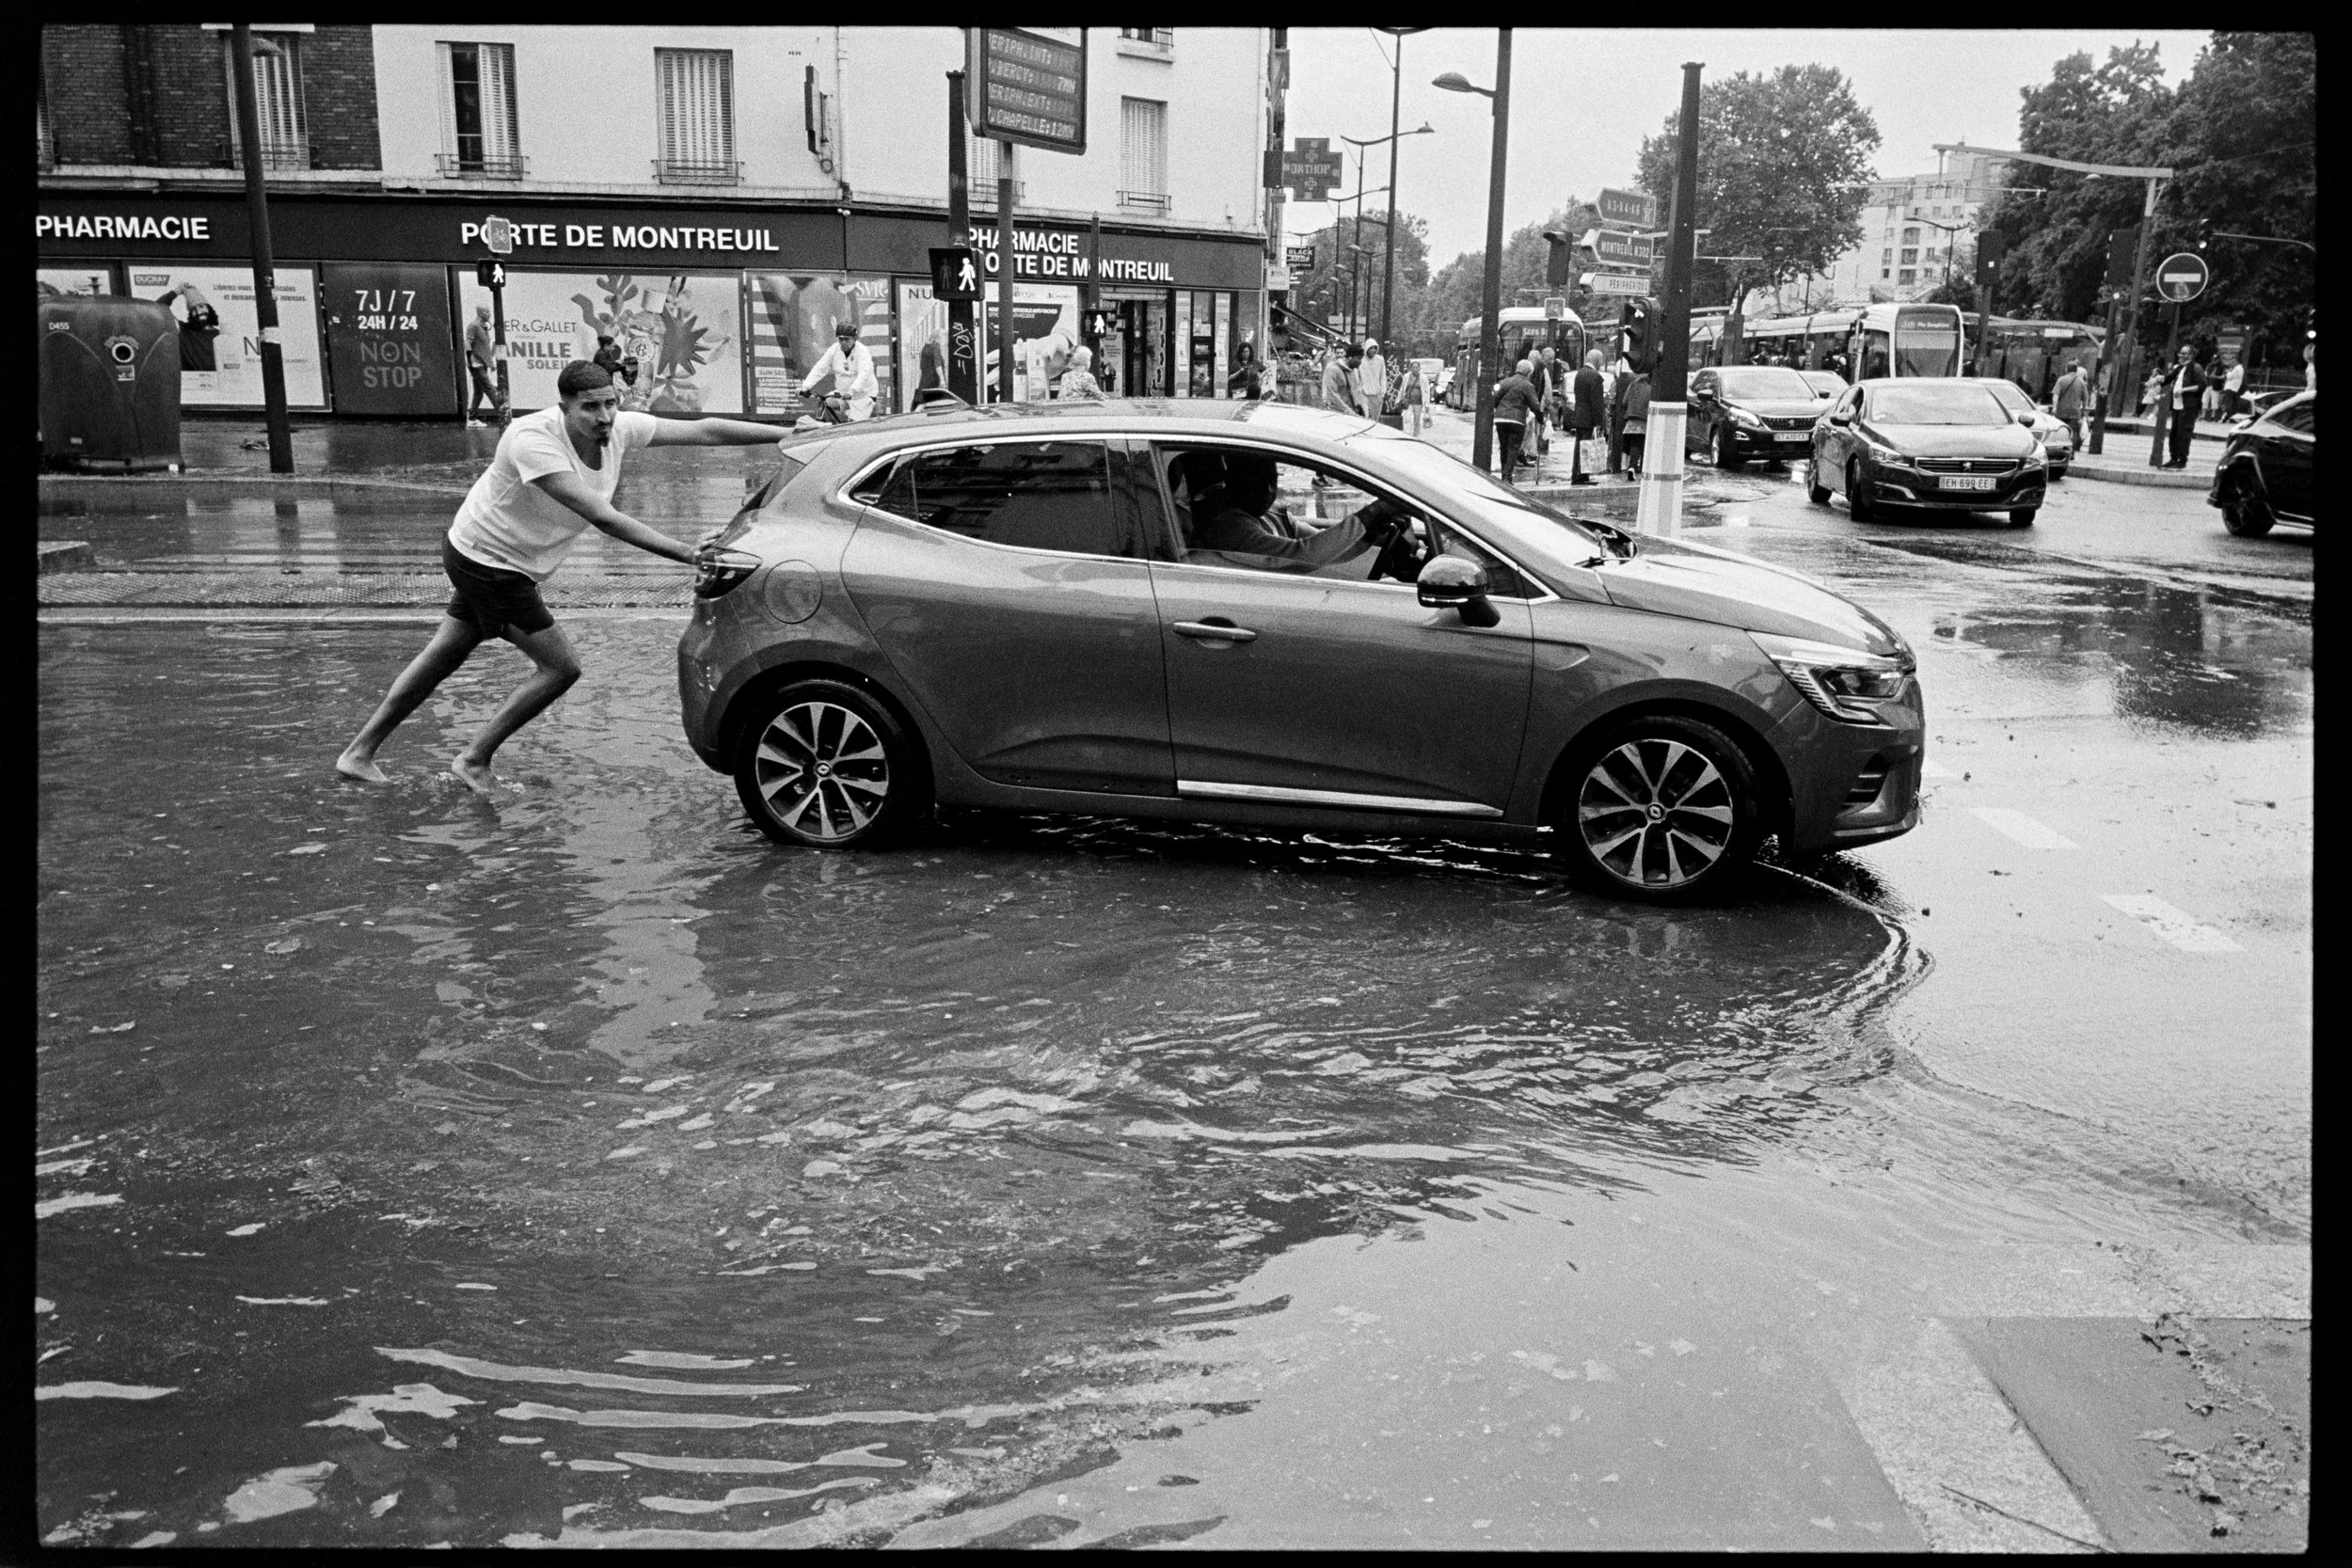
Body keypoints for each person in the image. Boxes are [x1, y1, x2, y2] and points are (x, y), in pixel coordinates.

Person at [335, 361, 786, 794]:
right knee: (560, 668)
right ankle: (473, 759)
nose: (604, 417)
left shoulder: (619, 427)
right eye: (590, 408)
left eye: (610, 403)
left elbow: (706, 429)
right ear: (564, 407)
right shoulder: (533, 439)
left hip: (496, 559)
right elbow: (602, 517)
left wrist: (788, 434)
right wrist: (688, 553)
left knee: (441, 656)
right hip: (489, 563)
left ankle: (359, 754)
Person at [1189, 452, 1406, 569]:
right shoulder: (1229, 526)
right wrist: (1372, 512)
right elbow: (1302, 555)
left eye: (1272, 480)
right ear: (1233, 481)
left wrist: (1369, 535)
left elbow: (1326, 548)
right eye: (1255, 482)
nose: (1267, 491)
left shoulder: (1274, 513)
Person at [800, 320, 878, 421]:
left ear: (854, 338)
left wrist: (852, 391)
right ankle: (829, 428)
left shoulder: (863, 351)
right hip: (843, 393)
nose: (843, 342)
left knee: (854, 427)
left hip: (863, 397)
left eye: (847, 339)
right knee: (825, 403)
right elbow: (821, 368)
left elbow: (864, 374)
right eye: (841, 339)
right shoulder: (834, 349)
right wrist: (806, 386)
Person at [1492, 357, 1539, 484]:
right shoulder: (1527, 386)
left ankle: (1504, 474)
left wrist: (1500, 410)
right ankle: (1507, 477)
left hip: (1501, 419)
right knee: (1513, 448)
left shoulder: (1504, 382)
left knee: (1504, 447)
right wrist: (1540, 418)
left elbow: (1494, 399)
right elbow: (1535, 405)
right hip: (1517, 420)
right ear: (1528, 373)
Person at [156, 282, 220, 373]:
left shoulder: (220, 337)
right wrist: (177, 291)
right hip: (190, 384)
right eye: (193, 310)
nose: (198, 312)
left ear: (209, 308)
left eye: (201, 306)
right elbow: (158, 308)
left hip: (216, 384)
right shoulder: (183, 330)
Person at [2162, 343, 2205, 469]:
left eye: (2184, 353)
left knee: (2184, 433)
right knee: (2174, 433)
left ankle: (2182, 460)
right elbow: (2168, 379)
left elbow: (2201, 385)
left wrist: (2183, 390)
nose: (2180, 355)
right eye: (2180, 352)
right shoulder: (2180, 368)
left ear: (2191, 356)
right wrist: (2159, 379)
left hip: (2188, 406)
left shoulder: (2196, 368)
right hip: (2177, 406)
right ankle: (2173, 458)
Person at [1571, 348, 1607, 486]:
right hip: (1589, 418)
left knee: (1579, 446)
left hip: (1579, 415)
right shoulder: (1595, 377)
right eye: (1601, 360)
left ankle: (1577, 474)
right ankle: (1581, 475)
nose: (1602, 363)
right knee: (1586, 446)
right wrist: (1599, 422)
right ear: (1597, 360)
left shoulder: (1579, 374)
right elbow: (1597, 402)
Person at [464, 305, 501, 425]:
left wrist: (491, 363)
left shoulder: (484, 327)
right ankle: (504, 415)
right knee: (489, 389)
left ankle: (472, 418)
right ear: (480, 313)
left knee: (479, 392)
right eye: (486, 311)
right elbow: (467, 342)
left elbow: (484, 347)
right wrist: (471, 361)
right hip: (476, 364)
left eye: (489, 311)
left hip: (482, 363)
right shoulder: (473, 326)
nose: (489, 314)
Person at [2049, 359, 2090, 453]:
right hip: (2075, 413)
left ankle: (2060, 451)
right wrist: (2084, 410)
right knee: (2073, 433)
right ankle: (2070, 452)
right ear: (2076, 370)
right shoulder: (2081, 382)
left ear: (2067, 369)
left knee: (2061, 432)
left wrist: (2055, 407)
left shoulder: (2061, 380)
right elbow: (2085, 398)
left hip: (2061, 411)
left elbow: (2055, 395)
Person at [1621, 370, 1653, 474]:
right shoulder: (1650, 389)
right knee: (1643, 444)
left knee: (1634, 443)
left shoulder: (1632, 385)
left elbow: (1624, 402)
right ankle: (1640, 467)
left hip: (1631, 420)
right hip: (1644, 420)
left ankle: (1631, 466)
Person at [1322, 342, 1363, 416]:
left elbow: (1355, 391)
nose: (1360, 362)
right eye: (1359, 359)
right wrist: (1348, 411)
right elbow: (1332, 394)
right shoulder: (1333, 369)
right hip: (1336, 413)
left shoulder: (1354, 371)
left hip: (1351, 413)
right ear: (1350, 357)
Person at [1356, 338, 1389, 421]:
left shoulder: (1380, 360)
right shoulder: (1360, 360)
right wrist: (1358, 391)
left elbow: (1383, 376)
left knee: (1375, 419)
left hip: (1377, 394)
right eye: (1371, 348)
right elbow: (1357, 377)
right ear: (1366, 348)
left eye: (1375, 348)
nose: (1373, 350)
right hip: (1363, 394)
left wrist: (1382, 393)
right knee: (1365, 417)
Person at [2221, 353, 2247, 421]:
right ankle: (2233, 418)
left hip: (2230, 388)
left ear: (2236, 361)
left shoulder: (2236, 368)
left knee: (2227, 404)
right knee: (2234, 404)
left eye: (2233, 360)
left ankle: (2226, 417)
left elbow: (2229, 377)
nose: (2232, 362)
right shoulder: (2241, 368)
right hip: (2236, 388)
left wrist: (2228, 372)